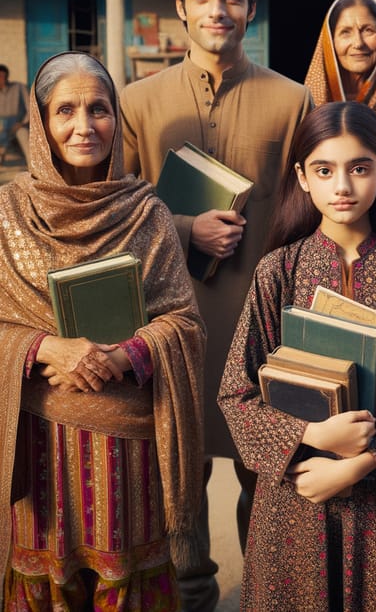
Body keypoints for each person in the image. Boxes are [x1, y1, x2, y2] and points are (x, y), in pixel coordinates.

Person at [119, 0, 313, 611]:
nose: (217, 8)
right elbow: (113, 214)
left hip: (263, 329)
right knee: (179, 473)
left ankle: (263, 590)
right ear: (180, 4)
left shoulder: (291, 103)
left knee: (267, 471)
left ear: (251, 6)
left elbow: (308, 219)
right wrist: (180, 227)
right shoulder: (137, 102)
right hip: (171, 324)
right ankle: (192, 594)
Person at [217, 101, 376, 610]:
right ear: (303, 177)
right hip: (296, 490)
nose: (342, 186)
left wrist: (358, 465)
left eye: (359, 168)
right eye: (324, 170)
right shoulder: (277, 271)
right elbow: (235, 393)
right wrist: (309, 435)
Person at [0, 52, 205, 610]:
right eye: (65, 110)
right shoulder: (9, 211)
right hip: (38, 440)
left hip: (128, 449)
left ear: (118, 119)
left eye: (99, 109)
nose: (84, 125)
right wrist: (45, 347)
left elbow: (182, 322)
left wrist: (129, 355)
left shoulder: (147, 212)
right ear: (41, 123)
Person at [304, 0, 376, 110]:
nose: (358, 43)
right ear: (330, 41)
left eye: (368, 30)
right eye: (345, 32)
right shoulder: (306, 106)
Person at [0, 64, 30, 162]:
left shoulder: (19, 87)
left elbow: (31, 108)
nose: (1, 79)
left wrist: (22, 123)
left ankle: (33, 168)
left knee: (24, 138)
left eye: (2, 76)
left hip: (19, 124)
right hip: (2, 125)